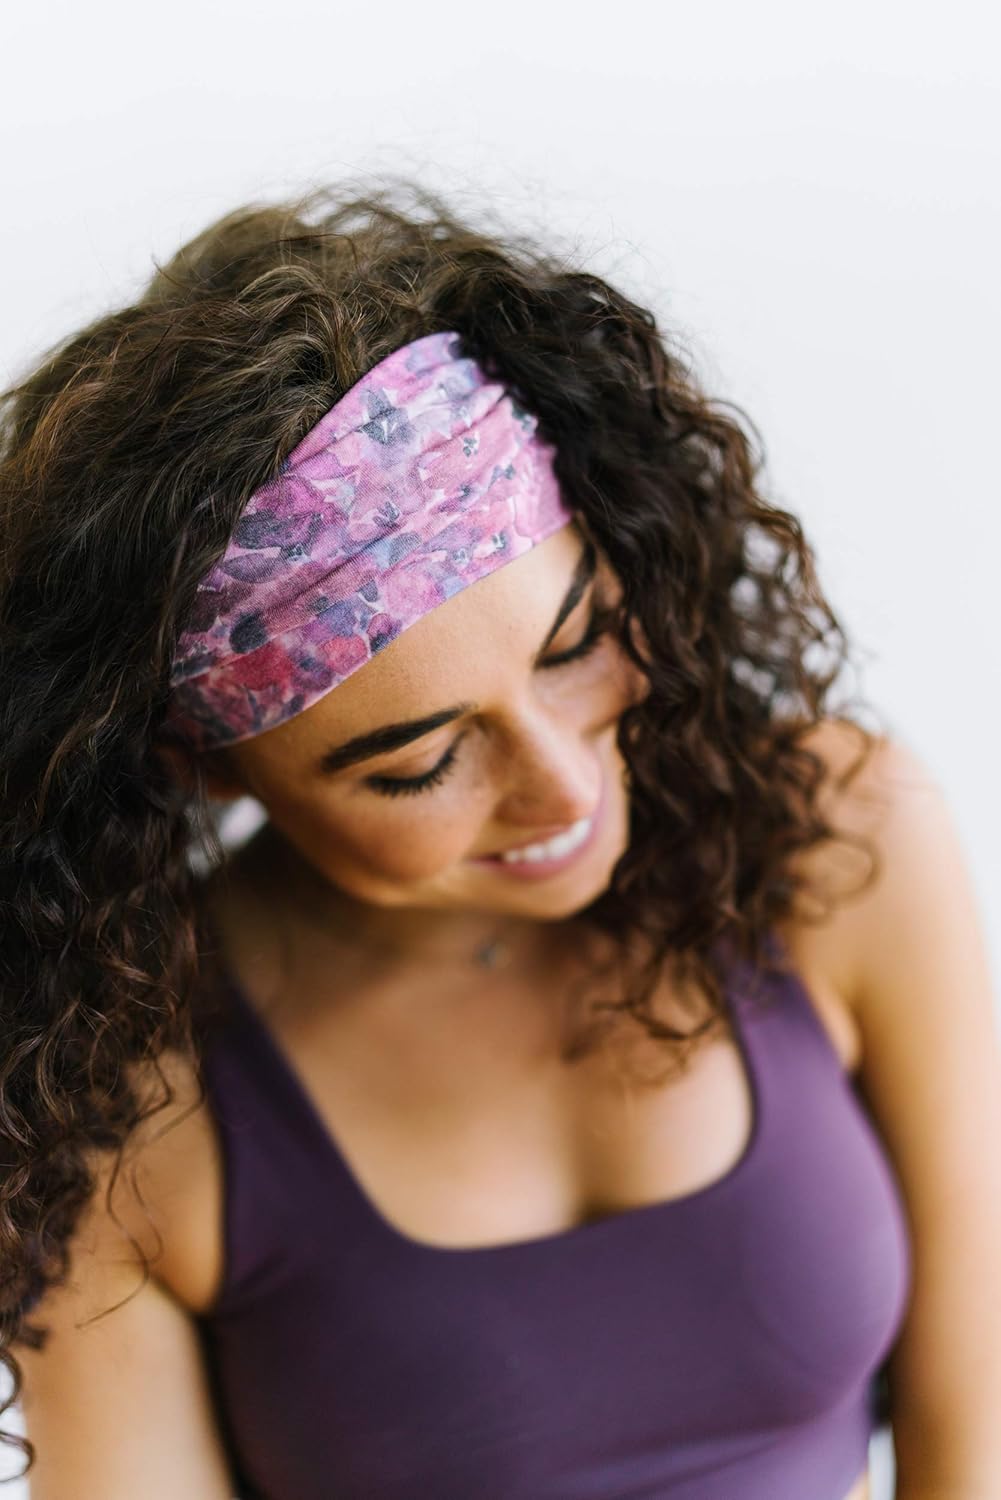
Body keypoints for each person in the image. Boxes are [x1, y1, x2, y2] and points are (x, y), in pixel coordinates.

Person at [2, 180, 999, 1500]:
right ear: (203, 763)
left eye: (574, 644)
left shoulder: (832, 838)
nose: (561, 784)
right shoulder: (117, 1093)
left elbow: (976, 1435)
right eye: (422, 763)